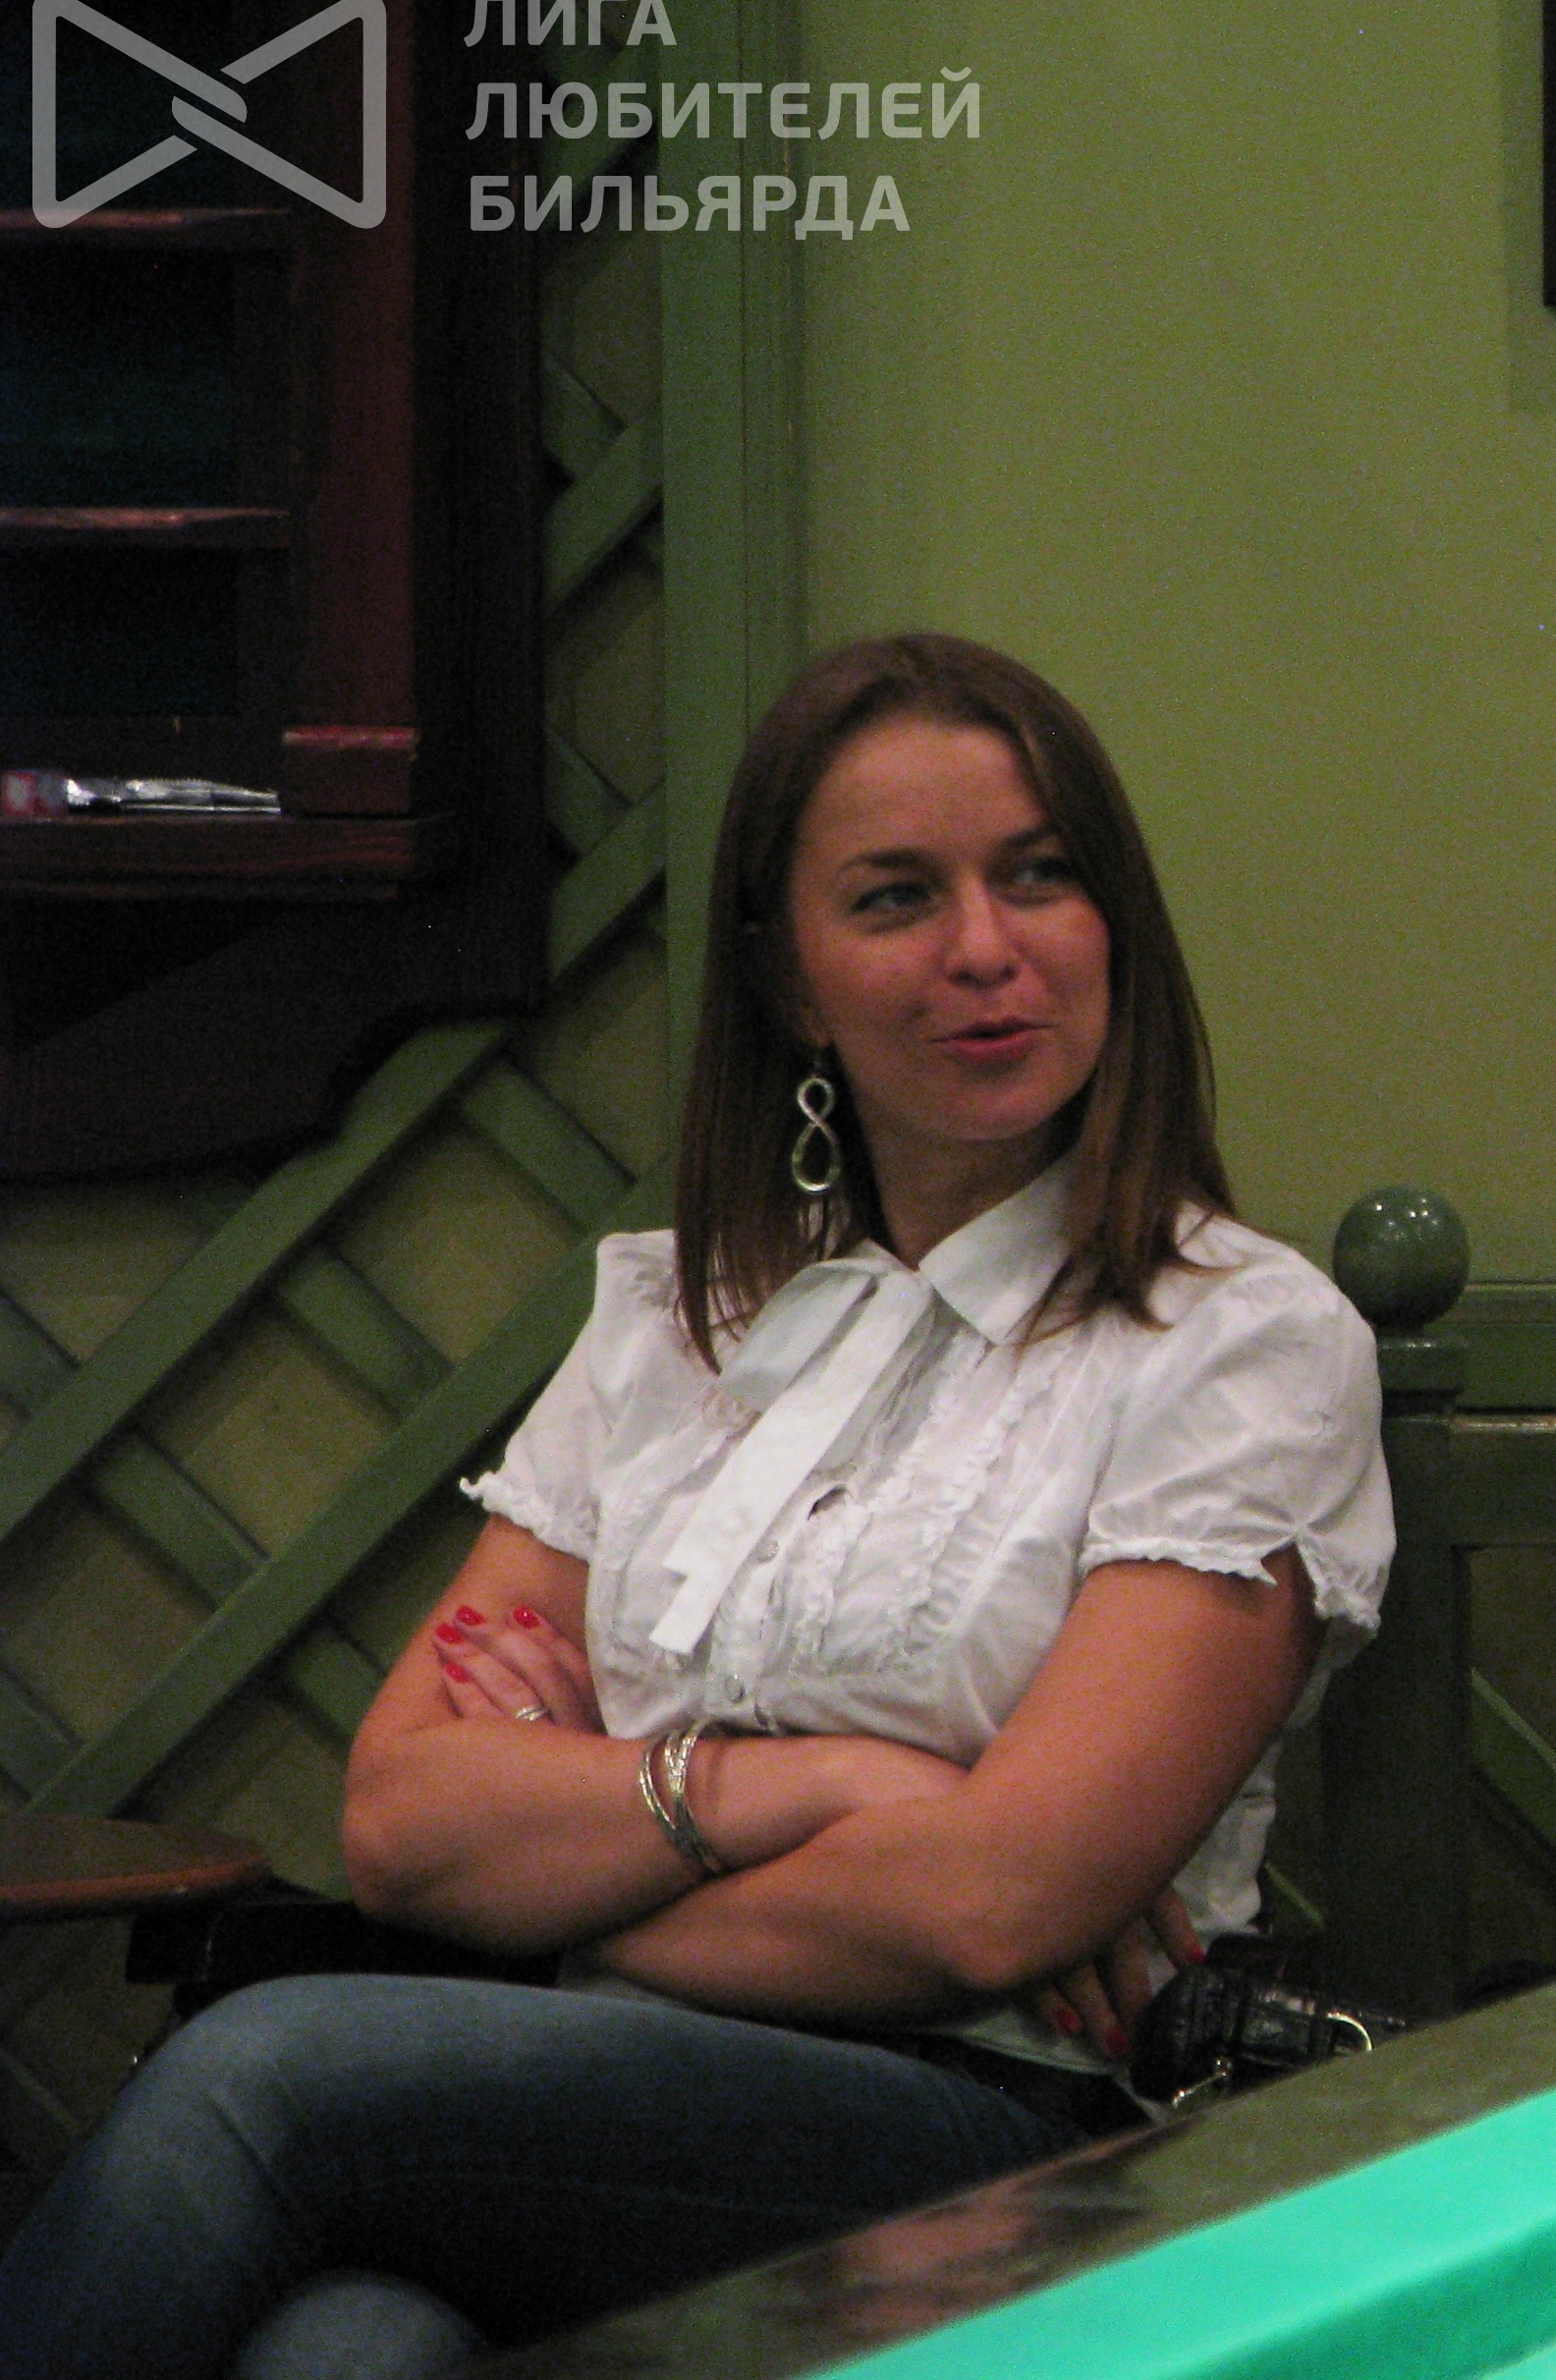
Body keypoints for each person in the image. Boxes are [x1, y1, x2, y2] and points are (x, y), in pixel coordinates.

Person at [0, 636, 1392, 2378]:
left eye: (1039, 876)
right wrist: (829, 1785)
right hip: (584, 2103)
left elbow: (993, 1910)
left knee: (266, 2077)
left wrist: (577, 1858)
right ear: (792, 981)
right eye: (896, 898)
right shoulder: (675, 1317)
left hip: (1024, 2139)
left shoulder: (1237, 1344)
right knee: (349, 2348)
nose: (985, 948)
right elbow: (404, 1821)